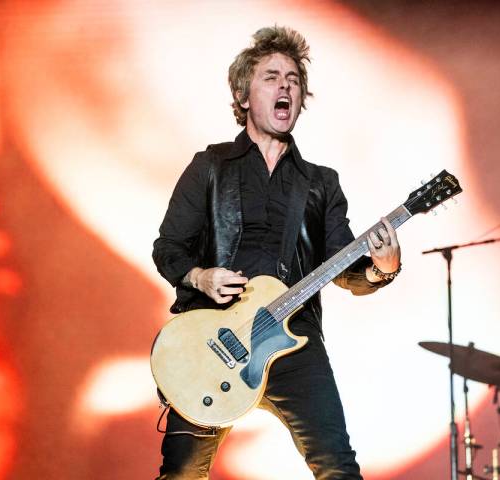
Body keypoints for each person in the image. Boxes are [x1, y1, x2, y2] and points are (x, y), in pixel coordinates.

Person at [152, 25, 402, 480]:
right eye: (271, 76)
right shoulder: (209, 167)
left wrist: (382, 269)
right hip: (214, 338)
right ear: (244, 95)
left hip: (292, 338)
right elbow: (167, 248)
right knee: (182, 474)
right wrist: (201, 277)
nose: (285, 84)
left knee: (339, 469)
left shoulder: (320, 183)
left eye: (293, 78)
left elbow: (344, 268)